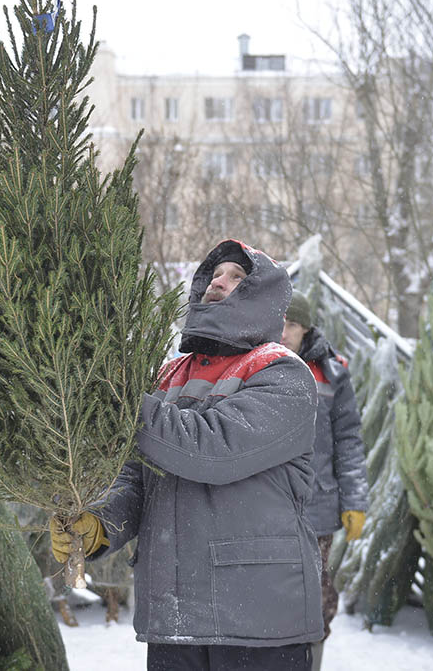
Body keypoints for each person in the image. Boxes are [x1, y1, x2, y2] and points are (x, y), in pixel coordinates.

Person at [51, 239, 323, 670]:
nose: (219, 281)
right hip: (174, 618)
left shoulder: (283, 373)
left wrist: (119, 396)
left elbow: (211, 449)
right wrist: (101, 525)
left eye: (237, 276)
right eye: (215, 274)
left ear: (263, 296)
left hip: (256, 621)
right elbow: (137, 477)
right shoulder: (169, 375)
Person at [281, 290, 369, 671]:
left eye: (292, 324)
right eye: (278, 322)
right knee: (267, 599)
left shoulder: (332, 373)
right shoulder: (256, 363)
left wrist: (355, 501)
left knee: (316, 601)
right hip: (265, 508)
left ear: (306, 328)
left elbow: (348, 440)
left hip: (316, 510)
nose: (283, 332)